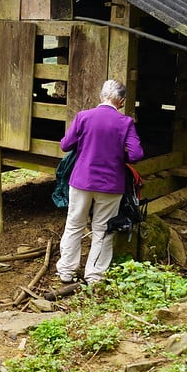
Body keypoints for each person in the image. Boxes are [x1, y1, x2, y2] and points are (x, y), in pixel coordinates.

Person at [56, 79, 144, 285]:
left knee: (74, 225)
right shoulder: (125, 122)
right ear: (121, 101)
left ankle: (66, 272)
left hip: (81, 182)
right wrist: (119, 157)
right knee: (103, 229)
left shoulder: (83, 117)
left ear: (101, 96)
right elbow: (137, 154)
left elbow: (65, 145)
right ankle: (94, 276)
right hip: (111, 185)